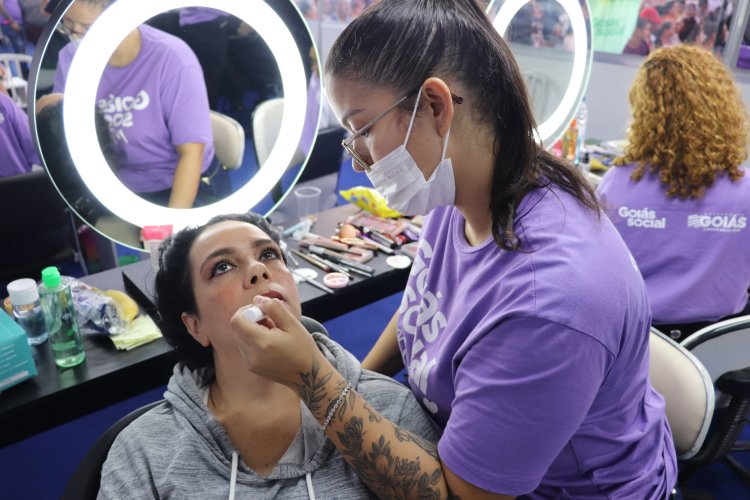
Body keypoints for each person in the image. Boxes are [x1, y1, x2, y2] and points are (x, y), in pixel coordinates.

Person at [226, 1, 677, 498]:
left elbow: (463, 494)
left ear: (435, 107)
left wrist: (315, 382)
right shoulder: (459, 189)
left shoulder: (550, 301)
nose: (357, 161)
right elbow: (426, 304)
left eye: (363, 131)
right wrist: (348, 381)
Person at [97, 212, 440, 498]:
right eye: (222, 267)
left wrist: (313, 377)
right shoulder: (143, 451)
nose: (258, 271)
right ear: (195, 325)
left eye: (269, 255)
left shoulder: (391, 409)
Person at [597, 45, 750, 341]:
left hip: (638, 345)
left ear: (645, 112)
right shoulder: (745, 193)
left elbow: (600, 275)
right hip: (719, 347)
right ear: (723, 106)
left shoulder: (617, 185)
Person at [50, 0, 226, 208]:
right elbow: (67, 130)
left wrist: (170, 226)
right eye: (68, 25)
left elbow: (191, 153)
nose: (76, 37)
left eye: (87, 28)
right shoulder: (71, 57)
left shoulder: (172, 59)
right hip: (119, 184)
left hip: (182, 181)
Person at [0, 66, 39, 177]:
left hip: (18, 185)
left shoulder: (3, 103)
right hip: (18, 187)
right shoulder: (3, 102)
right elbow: (36, 148)